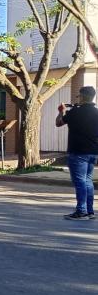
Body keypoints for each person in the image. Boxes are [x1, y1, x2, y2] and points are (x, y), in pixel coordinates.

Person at [55, 86, 98, 220]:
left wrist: (61, 111)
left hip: (78, 151)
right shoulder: (97, 112)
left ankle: (81, 211)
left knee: (80, 182)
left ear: (83, 96)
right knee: (87, 181)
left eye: (79, 96)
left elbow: (58, 123)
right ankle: (90, 211)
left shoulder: (75, 112)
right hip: (93, 151)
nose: (77, 98)